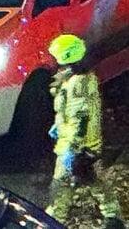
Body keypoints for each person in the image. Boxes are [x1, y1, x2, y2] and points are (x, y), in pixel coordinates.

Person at [45, 34, 125, 229]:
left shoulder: (77, 83)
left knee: (60, 188)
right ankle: (113, 217)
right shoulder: (80, 79)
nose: (53, 62)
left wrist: (73, 148)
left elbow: (80, 116)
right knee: (94, 180)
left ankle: (52, 221)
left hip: (76, 146)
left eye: (56, 57)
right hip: (85, 145)